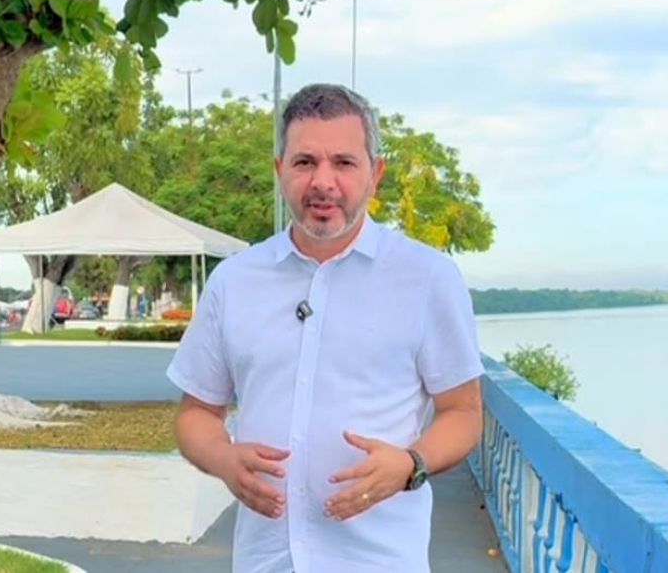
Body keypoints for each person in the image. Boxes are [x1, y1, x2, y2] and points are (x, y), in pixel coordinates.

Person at [165, 83, 484, 573]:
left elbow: (463, 413)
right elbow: (196, 414)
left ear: (375, 173)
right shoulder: (234, 281)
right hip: (265, 561)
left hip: (381, 562)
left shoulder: (427, 278)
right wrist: (224, 460)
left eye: (344, 162)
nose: (323, 182)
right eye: (305, 162)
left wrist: (410, 464)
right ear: (279, 170)